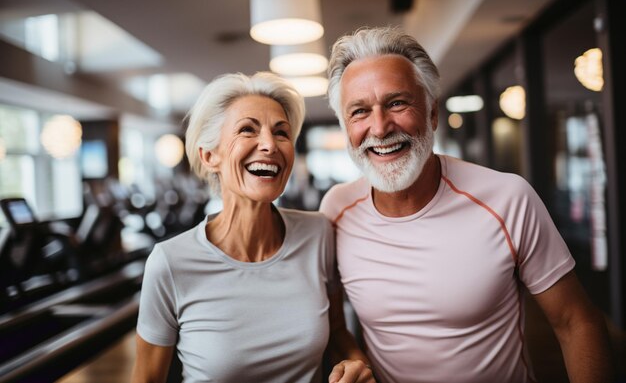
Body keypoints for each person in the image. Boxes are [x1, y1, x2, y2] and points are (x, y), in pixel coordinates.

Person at [319, 27, 614, 383]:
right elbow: (335, 327)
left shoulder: (507, 198)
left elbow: (576, 322)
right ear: (345, 125)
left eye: (397, 103)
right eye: (360, 111)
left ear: (432, 113)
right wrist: (355, 361)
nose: (379, 128)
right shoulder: (336, 210)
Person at [132, 72, 374, 383]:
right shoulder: (169, 263)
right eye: (248, 129)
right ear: (209, 156)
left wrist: (354, 362)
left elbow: (338, 332)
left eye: (282, 133)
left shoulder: (318, 234)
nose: (269, 145)